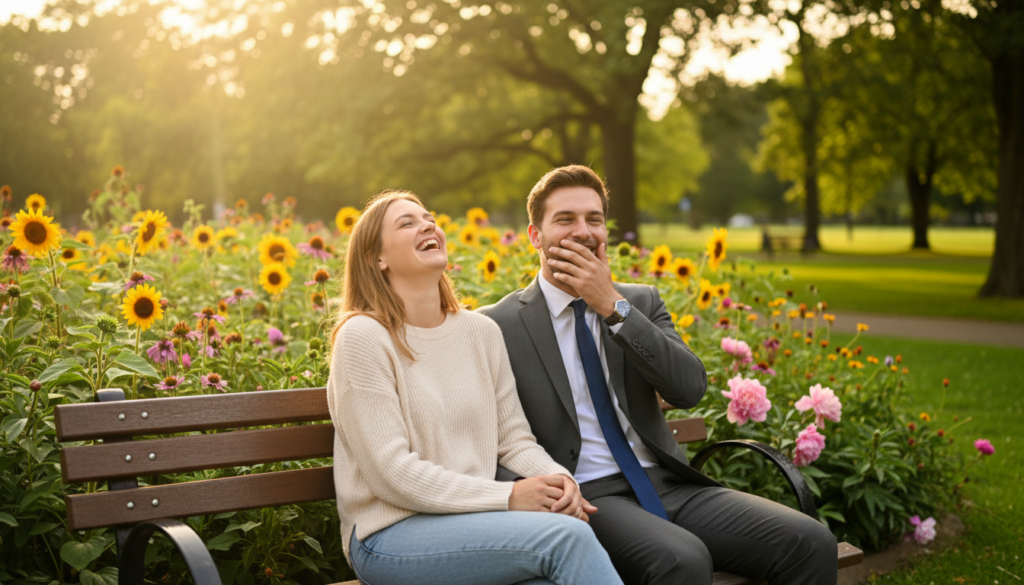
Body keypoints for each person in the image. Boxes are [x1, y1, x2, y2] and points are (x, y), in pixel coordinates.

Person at [478, 166, 838, 585]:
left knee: (811, 541)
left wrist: (612, 306)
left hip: (669, 484)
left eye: (594, 219)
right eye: (565, 220)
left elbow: (688, 389)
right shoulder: (497, 325)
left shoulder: (639, 302)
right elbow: (486, 439)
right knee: (681, 560)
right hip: (589, 498)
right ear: (535, 236)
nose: (584, 231)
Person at [326, 189, 624, 585]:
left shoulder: (480, 332)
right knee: (566, 538)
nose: (428, 224)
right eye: (407, 222)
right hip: (390, 536)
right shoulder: (364, 337)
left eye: (428, 217)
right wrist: (508, 497)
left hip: (474, 524)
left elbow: (514, 440)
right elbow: (391, 474)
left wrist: (560, 481)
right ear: (375, 258)